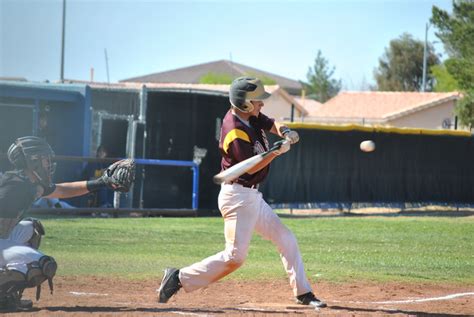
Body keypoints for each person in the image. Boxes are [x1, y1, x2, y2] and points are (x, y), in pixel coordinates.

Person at [158, 77, 326, 308]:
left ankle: (303, 293)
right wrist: (276, 152)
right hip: (237, 197)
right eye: (258, 101)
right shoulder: (234, 131)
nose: (261, 105)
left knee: (286, 239)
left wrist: (285, 131)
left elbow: (270, 123)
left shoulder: (250, 117)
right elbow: (251, 165)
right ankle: (177, 278)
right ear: (244, 103)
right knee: (235, 257)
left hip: (252, 197)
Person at [0, 136, 135, 312]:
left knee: (32, 228)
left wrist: (102, 182)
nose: (49, 164)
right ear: (32, 162)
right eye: (44, 159)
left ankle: (5, 297)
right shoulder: (12, 187)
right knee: (42, 266)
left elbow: (63, 189)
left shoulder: (30, 184)